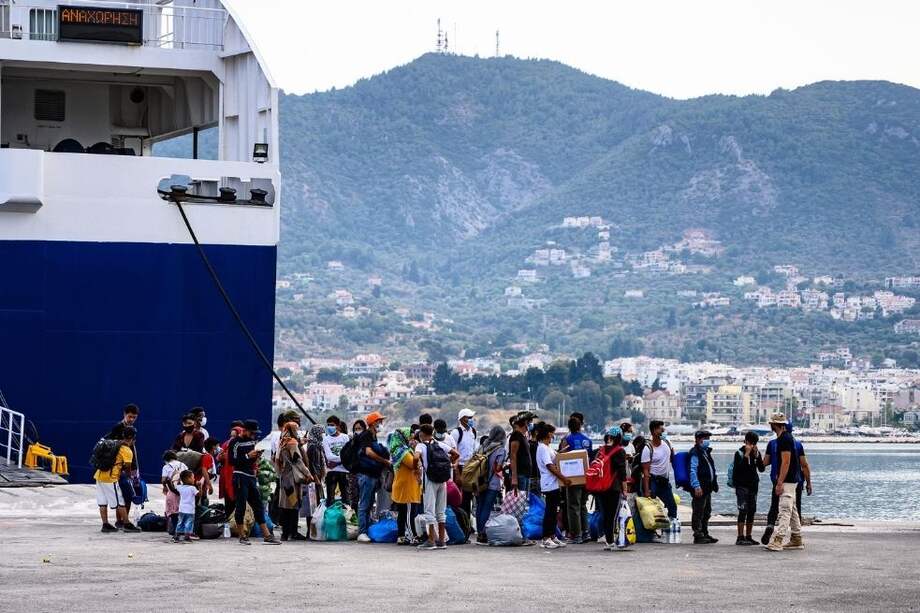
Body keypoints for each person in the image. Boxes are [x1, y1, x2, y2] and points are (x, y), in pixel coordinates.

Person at [228, 420, 280, 545]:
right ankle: (242, 535)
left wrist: (256, 456)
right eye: (252, 433)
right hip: (240, 476)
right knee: (241, 506)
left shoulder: (253, 441)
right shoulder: (235, 443)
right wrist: (247, 456)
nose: (253, 436)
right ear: (244, 430)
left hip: (251, 476)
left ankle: (267, 535)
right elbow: (231, 461)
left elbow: (252, 459)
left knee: (258, 506)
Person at [761, 423, 813, 545]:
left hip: (778, 479)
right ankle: (795, 536)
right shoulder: (798, 444)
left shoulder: (773, 443)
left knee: (776, 506)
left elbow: (765, 463)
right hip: (796, 481)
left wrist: (756, 459)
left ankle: (771, 526)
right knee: (794, 508)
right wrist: (809, 482)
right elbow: (804, 465)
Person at [415, 424, 459, 550]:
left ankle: (431, 541)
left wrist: (416, 470)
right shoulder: (439, 444)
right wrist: (448, 464)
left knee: (429, 510)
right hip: (443, 480)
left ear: (422, 434)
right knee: (441, 510)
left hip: (429, 480)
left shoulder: (421, 445)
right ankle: (442, 541)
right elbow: (456, 454)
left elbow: (416, 457)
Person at [94, 427, 140, 533]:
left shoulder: (113, 443)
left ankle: (105, 524)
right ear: (133, 439)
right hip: (111, 478)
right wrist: (129, 478)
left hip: (99, 475)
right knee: (120, 501)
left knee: (102, 502)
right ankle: (127, 524)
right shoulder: (127, 450)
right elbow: (128, 467)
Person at [355, 412, 391, 542]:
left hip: (373, 475)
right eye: (379, 421)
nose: (381, 424)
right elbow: (369, 452)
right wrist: (385, 461)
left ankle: (367, 528)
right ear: (373, 423)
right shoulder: (366, 435)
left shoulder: (374, 436)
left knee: (370, 503)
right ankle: (362, 532)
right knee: (364, 504)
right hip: (366, 475)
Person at [535, 421, 571, 549]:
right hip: (549, 483)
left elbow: (557, 458)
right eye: (551, 434)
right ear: (546, 434)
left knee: (554, 510)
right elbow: (549, 465)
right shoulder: (542, 448)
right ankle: (546, 537)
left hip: (554, 483)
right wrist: (563, 478)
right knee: (550, 511)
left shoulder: (548, 447)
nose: (553, 437)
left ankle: (552, 535)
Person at [275, 421, 313, 541]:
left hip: (284, 476)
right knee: (294, 503)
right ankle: (293, 532)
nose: (297, 430)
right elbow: (297, 460)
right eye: (296, 428)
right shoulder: (292, 442)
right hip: (292, 477)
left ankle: (285, 533)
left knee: (286, 505)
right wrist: (308, 473)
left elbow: (277, 459)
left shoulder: (283, 441)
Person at [559, 415, 592, 543]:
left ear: (569, 427)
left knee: (573, 506)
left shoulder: (566, 440)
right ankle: (586, 532)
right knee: (583, 505)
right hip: (586, 476)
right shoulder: (587, 440)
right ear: (580, 426)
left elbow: (561, 457)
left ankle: (576, 535)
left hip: (572, 478)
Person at [106, 403, 140, 523]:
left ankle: (123, 520)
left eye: (134, 417)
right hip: (121, 466)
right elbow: (112, 444)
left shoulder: (132, 428)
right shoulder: (118, 428)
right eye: (130, 416)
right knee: (123, 494)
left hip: (131, 463)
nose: (131, 419)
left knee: (129, 495)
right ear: (124, 414)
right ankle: (120, 520)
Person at [388, 426, 422, 544]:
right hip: (407, 487)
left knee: (403, 513)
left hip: (404, 485)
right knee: (409, 513)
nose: (412, 438)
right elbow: (413, 464)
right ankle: (413, 537)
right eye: (410, 435)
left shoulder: (399, 450)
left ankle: (401, 536)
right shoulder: (403, 451)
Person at [474, 426, 507, 544]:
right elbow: (498, 467)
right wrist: (505, 466)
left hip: (479, 481)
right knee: (487, 508)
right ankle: (483, 534)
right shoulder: (500, 449)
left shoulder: (482, 446)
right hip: (492, 482)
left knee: (480, 506)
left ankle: (479, 533)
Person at [596, 427, 628, 550]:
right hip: (613, 487)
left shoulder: (602, 450)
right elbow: (622, 473)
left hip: (601, 487)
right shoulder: (620, 451)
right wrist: (624, 489)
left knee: (605, 514)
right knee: (611, 515)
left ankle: (608, 540)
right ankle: (611, 540)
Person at [731, 431, 765, 545]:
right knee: (743, 510)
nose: (752, 445)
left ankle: (749, 536)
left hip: (753, 486)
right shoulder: (739, 453)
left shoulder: (756, 453)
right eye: (751, 443)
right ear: (746, 441)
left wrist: (757, 456)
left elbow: (761, 469)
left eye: (754, 443)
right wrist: (746, 455)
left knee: (751, 511)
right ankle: (740, 537)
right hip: (742, 486)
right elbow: (739, 470)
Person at [641, 421, 677, 520]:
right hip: (653, 481)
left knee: (672, 507)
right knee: (651, 510)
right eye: (660, 429)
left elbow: (673, 459)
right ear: (653, 431)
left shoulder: (667, 443)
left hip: (664, 481)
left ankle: (669, 529)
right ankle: (650, 532)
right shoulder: (647, 449)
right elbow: (645, 471)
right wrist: (647, 490)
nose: (663, 431)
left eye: (663, 429)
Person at [688, 430, 719, 544]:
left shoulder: (705, 452)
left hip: (707, 488)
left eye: (707, 438)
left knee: (707, 511)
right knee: (698, 511)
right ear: (697, 439)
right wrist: (696, 486)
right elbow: (692, 470)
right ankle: (698, 534)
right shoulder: (695, 453)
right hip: (700, 488)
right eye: (704, 438)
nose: (706, 440)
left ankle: (705, 532)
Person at [451, 409, 477, 517]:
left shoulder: (473, 432)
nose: (471, 420)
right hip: (460, 467)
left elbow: (474, 450)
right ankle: (460, 519)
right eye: (468, 417)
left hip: (470, 467)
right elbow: (453, 453)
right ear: (461, 419)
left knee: (468, 496)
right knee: (459, 496)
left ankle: (466, 519)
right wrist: (457, 474)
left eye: (471, 417)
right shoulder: (456, 432)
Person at [218, 422, 244, 518]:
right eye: (231, 436)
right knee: (228, 501)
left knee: (238, 500)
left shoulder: (242, 445)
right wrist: (221, 457)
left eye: (234, 436)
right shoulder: (226, 444)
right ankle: (229, 523)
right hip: (226, 476)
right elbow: (218, 457)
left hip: (237, 477)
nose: (232, 438)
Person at [323, 416, 350, 505]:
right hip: (332, 472)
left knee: (346, 498)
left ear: (338, 426)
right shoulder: (326, 439)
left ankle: (347, 517)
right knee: (330, 499)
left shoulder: (345, 437)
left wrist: (337, 461)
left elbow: (348, 454)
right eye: (328, 425)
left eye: (332, 425)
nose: (330, 427)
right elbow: (329, 456)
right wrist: (343, 459)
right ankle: (330, 517)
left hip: (344, 471)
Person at [161, 449, 189, 535]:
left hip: (173, 491)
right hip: (183, 491)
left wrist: (164, 487)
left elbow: (164, 479)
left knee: (173, 511)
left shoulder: (166, 466)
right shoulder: (183, 465)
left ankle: (176, 529)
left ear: (166, 459)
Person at [508, 412, 534, 493]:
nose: (529, 424)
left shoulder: (523, 436)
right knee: (520, 502)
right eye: (528, 422)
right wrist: (514, 478)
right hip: (520, 475)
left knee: (525, 501)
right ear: (525, 423)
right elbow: (513, 456)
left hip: (526, 474)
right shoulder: (516, 435)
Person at [173, 469, 199, 543]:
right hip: (190, 510)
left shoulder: (180, 487)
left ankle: (176, 536)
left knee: (180, 522)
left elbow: (173, 489)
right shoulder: (193, 488)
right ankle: (187, 537)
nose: (194, 479)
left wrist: (168, 483)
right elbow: (199, 495)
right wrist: (199, 487)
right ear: (188, 479)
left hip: (182, 510)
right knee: (189, 523)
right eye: (192, 477)